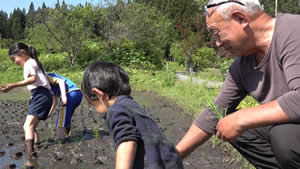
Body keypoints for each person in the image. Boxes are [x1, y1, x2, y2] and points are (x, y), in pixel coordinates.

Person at [176, 0, 300, 169]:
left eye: (216, 32)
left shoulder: (293, 30)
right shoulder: (241, 65)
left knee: (283, 135)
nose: (218, 43)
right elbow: (213, 113)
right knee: (226, 122)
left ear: (241, 19)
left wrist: (242, 118)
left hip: (290, 134)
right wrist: (174, 156)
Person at [81, 61, 184, 169]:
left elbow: (126, 142)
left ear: (99, 95)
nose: (96, 110)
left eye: (93, 105)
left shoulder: (115, 110)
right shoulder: (131, 105)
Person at [0, 42, 53, 155]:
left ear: (22, 53)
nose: (15, 62)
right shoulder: (34, 62)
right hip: (43, 95)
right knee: (31, 127)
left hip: (41, 94)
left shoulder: (29, 63)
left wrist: (12, 85)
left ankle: (29, 157)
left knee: (27, 125)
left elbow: (32, 79)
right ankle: (35, 148)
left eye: (14, 59)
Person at [47, 72, 82, 140]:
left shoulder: (45, 77)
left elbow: (61, 81)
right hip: (78, 93)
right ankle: (66, 135)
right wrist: (50, 113)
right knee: (66, 117)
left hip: (70, 93)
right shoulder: (49, 86)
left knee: (61, 120)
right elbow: (55, 101)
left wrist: (63, 96)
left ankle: (59, 139)